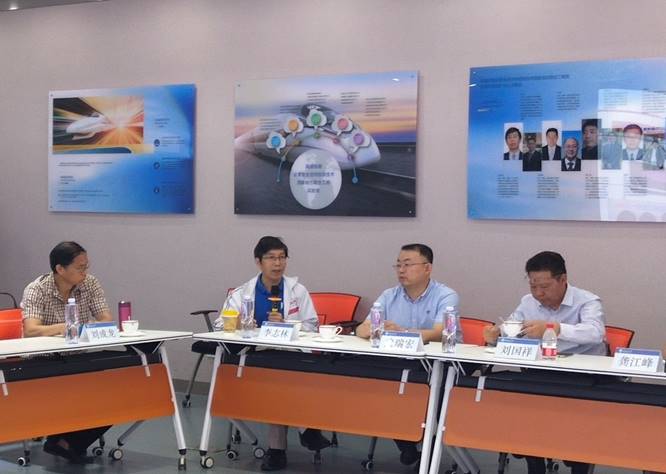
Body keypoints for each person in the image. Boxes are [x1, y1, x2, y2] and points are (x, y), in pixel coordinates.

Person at [483, 251, 606, 474]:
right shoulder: (528, 302)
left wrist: (553, 328)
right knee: (520, 405)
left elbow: (595, 333)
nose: (538, 293)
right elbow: (513, 327)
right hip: (541, 372)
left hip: (580, 376)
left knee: (576, 421)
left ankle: (578, 461)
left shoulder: (587, 301)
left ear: (563, 279)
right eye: (533, 286)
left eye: (545, 287)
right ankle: (534, 462)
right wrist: (497, 334)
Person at [215, 236, 326, 471]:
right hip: (255, 355)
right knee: (276, 380)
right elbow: (220, 325)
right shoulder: (243, 292)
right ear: (258, 262)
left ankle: (277, 451)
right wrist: (243, 324)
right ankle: (306, 428)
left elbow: (312, 325)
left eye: (282, 258)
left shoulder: (297, 290)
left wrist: (286, 323)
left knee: (281, 381)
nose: (278, 263)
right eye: (271, 258)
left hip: (292, 354)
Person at [357, 243, 460, 467]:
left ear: (427, 268)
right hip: (397, 364)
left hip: (435, 364)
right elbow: (361, 329)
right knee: (375, 385)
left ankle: (425, 450)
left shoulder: (446, 295)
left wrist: (402, 332)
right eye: (398, 265)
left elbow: (439, 332)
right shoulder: (388, 295)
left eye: (408, 264)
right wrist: (377, 329)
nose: (401, 270)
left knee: (413, 388)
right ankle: (408, 445)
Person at [20, 241, 113, 464]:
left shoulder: (90, 283)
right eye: (80, 268)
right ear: (60, 269)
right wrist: (64, 327)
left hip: (77, 357)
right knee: (80, 391)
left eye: (86, 266)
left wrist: (87, 327)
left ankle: (65, 442)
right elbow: (31, 330)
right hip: (42, 360)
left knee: (113, 392)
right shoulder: (37, 289)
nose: (85, 272)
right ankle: (64, 441)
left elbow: (105, 319)